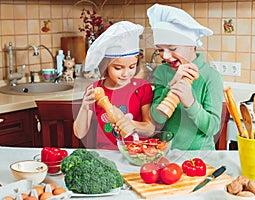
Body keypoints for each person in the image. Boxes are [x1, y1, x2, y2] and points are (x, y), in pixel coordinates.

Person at [147, 4, 224, 150]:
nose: (166, 56)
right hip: (165, 153)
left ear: (191, 44)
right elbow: (157, 119)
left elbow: (212, 128)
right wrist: (170, 86)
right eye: (160, 50)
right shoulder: (162, 72)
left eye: (172, 48)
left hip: (199, 157)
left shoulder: (211, 76)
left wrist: (190, 102)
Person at [74, 21, 155, 150]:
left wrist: (131, 125)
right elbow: (80, 133)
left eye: (132, 67)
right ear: (105, 66)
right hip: (106, 153)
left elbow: (150, 129)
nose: (126, 73)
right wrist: (85, 106)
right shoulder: (96, 90)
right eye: (118, 68)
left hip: (136, 152)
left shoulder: (142, 88)